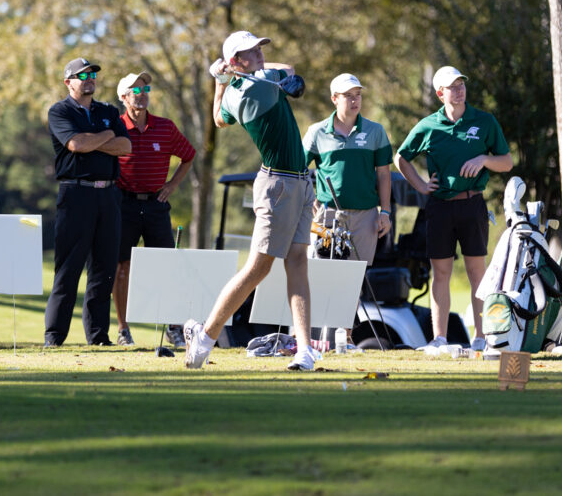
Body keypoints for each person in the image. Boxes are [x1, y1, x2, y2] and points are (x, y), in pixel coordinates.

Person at [185, 30, 316, 371]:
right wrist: (232, 75)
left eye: (259, 47)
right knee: (259, 267)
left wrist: (221, 80)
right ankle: (205, 336)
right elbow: (286, 72)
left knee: (298, 261)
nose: (259, 53)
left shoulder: (239, 90)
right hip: (279, 186)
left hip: (299, 181)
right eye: (251, 51)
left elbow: (217, 119)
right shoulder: (256, 89)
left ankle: (304, 349)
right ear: (236, 60)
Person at [393, 66, 513, 352]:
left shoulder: (484, 121)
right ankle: (440, 339)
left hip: (472, 204)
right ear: (440, 93)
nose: (459, 90)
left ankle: (482, 337)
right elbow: (401, 157)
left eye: (461, 84)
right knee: (441, 273)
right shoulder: (428, 126)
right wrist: (421, 186)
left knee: (477, 274)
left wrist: (484, 159)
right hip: (439, 207)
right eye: (452, 86)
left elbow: (506, 162)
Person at [44, 58, 131, 347]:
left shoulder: (108, 110)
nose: (90, 78)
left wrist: (95, 139)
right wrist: (108, 136)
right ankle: (54, 337)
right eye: (83, 75)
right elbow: (75, 145)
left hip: (108, 194)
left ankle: (98, 337)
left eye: (93, 73)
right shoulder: (59, 111)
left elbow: (126, 146)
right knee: (69, 268)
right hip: (76, 194)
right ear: (68, 81)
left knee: (104, 269)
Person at [112, 70, 196, 346]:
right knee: (121, 266)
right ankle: (123, 329)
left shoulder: (165, 127)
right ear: (124, 97)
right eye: (136, 91)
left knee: (166, 266)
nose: (142, 95)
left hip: (156, 205)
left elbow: (188, 156)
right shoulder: (115, 126)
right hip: (123, 204)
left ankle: (173, 327)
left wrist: (172, 185)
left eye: (145, 90)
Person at [302, 73, 393, 269]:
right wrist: (308, 198)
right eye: (348, 95)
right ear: (334, 98)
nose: (355, 100)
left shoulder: (375, 131)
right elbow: (297, 169)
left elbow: (384, 174)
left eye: (358, 94)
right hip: (328, 216)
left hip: (366, 217)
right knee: (322, 275)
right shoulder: (316, 132)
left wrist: (385, 212)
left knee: (356, 281)